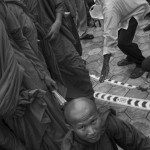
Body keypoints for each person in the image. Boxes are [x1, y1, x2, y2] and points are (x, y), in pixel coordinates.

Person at [0, 1, 67, 149]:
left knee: (56, 128)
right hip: (9, 99)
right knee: (35, 137)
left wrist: (43, 73)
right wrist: (5, 104)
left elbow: (21, 40)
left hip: (30, 75)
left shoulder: (2, 6)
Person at [24, 0, 94, 100]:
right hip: (35, 46)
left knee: (77, 69)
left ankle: (89, 101)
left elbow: (59, 4)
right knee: (53, 79)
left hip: (56, 36)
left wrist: (57, 22)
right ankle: (71, 106)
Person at [62, 97, 150, 150]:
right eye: (82, 127)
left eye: (93, 121)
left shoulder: (108, 122)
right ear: (71, 128)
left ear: (99, 114)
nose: (92, 131)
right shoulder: (70, 147)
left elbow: (140, 143)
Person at [99, 0, 150, 82]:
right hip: (126, 10)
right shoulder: (107, 6)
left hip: (135, 11)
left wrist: (105, 64)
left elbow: (110, 35)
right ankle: (131, 56)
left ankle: (140, 62)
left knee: (123, 42)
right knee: (120, 39)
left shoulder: (109, 7)